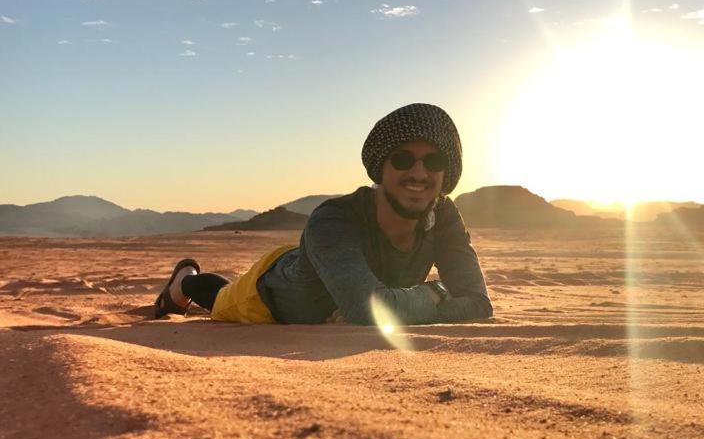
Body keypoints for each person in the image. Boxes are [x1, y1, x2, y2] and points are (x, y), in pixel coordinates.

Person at [154, 103, 492, 325]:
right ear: (380, 169)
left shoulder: (444, 216)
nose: (419, 174)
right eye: (403, 159)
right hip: (271, 298)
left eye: (433, 162)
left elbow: (479, 304)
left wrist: (391, 307)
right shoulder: (333, 220)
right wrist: (439, 292)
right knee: (220, 300)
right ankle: (184, 281)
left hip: (324, 262)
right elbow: (368, 312)